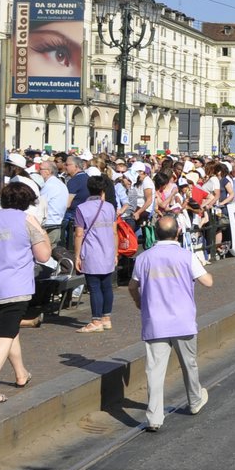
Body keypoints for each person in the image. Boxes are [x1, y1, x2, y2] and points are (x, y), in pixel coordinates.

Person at [0, 183, 55, 403]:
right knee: (4, 334)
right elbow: (44, 255)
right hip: (15, 285)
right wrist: (42, 232)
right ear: (26, 202)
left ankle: (21, 373)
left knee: (9, 329)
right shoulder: (26, 220)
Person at [128, 215, 213, 432]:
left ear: (155, 233)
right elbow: (208, 282)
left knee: (155, 371)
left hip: (155, 321)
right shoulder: (186, 256)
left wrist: (139, 301)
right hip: (182, 320)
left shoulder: (144, 258)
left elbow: (132, 286)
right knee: (189, 364)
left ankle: (154, 417)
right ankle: (195, 401)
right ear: (178, 233)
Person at [73, 174, 120, 333]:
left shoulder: (81, 208)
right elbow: (114, 232)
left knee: (94, 287)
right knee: (106, 286)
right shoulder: (110, 207)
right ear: (103, 190)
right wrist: (115, 252)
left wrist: (77, 255)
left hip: (92, 251)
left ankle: (96, 320)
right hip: (108, 251)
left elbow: (79, 234)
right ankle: (106, 318)